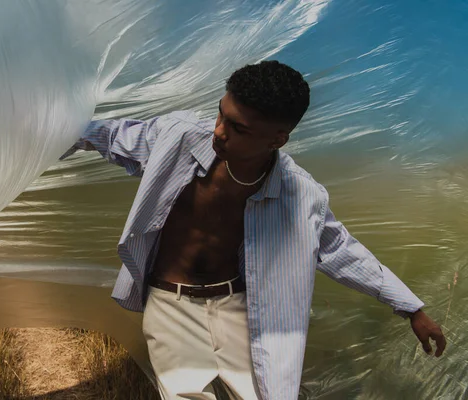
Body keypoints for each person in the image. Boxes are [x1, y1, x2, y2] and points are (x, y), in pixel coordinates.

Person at [61, 60, 446, 400]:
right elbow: (112, 137)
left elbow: (341, 249)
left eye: (239, 129)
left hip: (242, 309)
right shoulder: (176, 137)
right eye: (220, 114)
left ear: (277, 138)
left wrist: (410, 307)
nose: (219, 132)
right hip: (170, 303)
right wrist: (43, 133)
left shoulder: (299, 193)